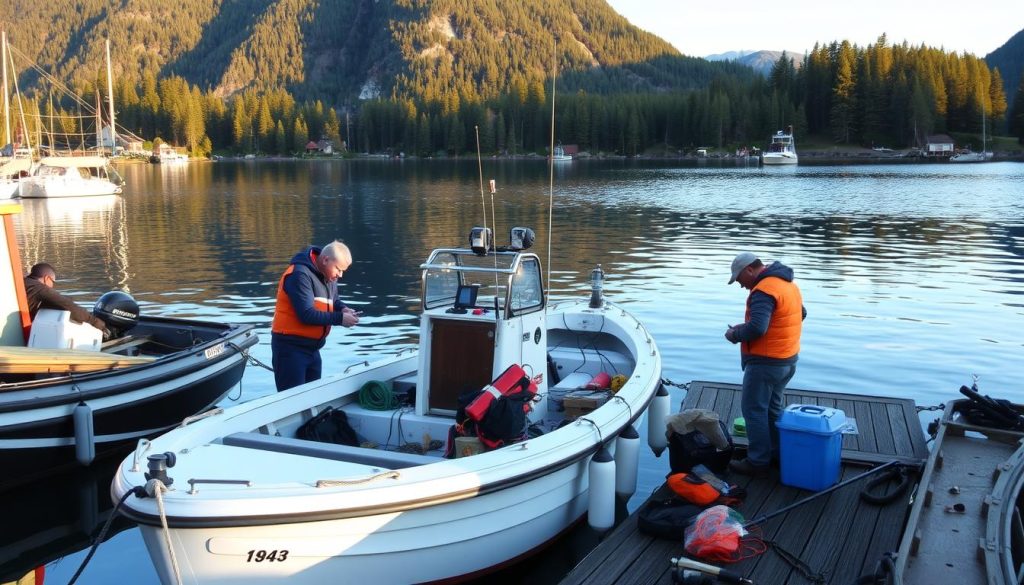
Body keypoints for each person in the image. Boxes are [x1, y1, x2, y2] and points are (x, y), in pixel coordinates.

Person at [723, 252, 806, 477]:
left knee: (753, 410)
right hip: (788, 360)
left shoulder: (764, 290)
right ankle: (777, 455)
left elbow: (758, 328)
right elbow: (801, 314)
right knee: (772, 410)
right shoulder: (788, 285)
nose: (741, 286)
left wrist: (734, 333)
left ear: (750, 270)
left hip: (766, 363)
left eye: (740, 280)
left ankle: (758, 461)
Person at [271, 241, 360, 392]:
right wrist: (340, 319)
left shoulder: (328, 275)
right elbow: (306, 315)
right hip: (290, 350)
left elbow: (334, 300)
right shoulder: (299, 275)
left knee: (312, 399)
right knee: (292, 402)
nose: (340, 275)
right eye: (338, 269)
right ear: (325, 260)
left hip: (312, 349)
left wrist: (344, 309)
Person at [23, 262, 109, 335]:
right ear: (47, 278)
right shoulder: (40, 289)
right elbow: (67, 305)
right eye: (53, 282)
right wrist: (96, 323)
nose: (52, 286)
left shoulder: (24, 282)